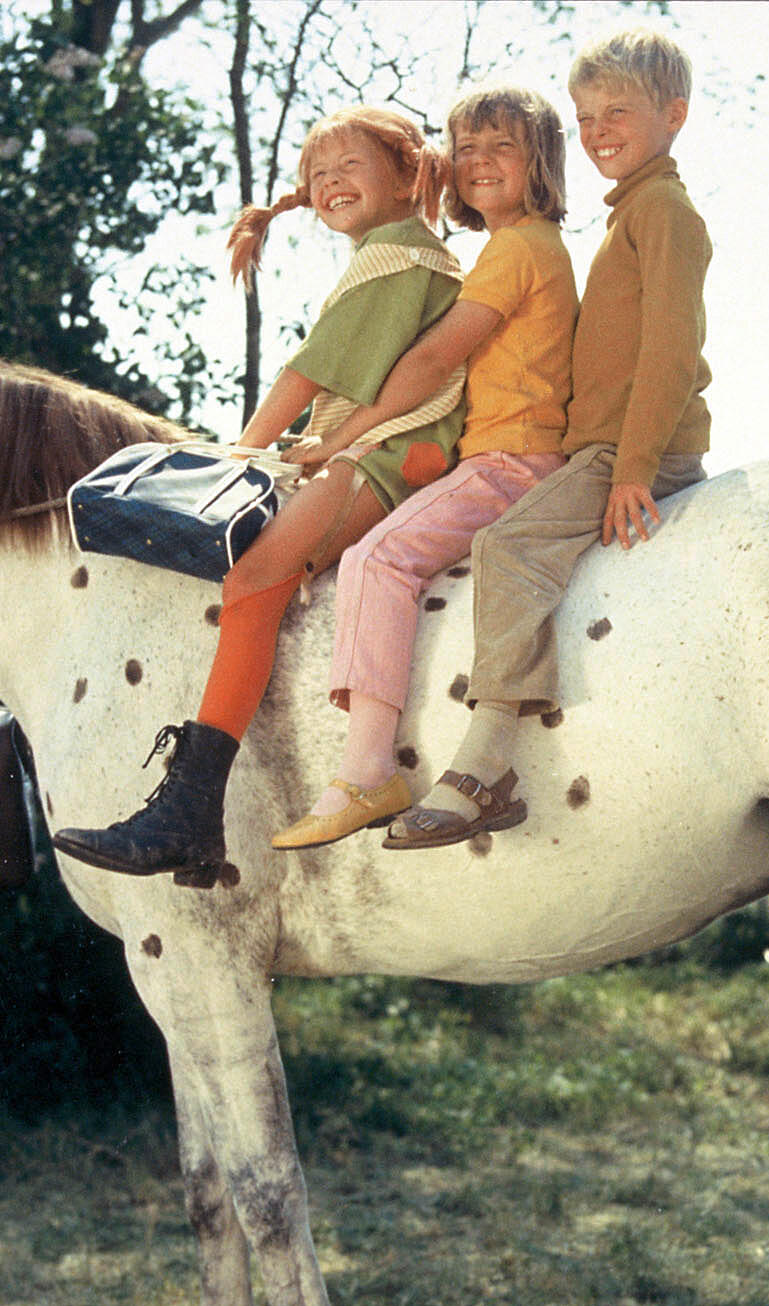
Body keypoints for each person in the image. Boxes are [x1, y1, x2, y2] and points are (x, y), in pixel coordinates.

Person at [51, 106, 464, 878]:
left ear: (407, 174)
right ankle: (197, 816)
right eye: (319, 175)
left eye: (351, 166)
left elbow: (310, 374)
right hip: (385, 446)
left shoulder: (400, 256)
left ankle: (190, 813)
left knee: (254, 578)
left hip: (394, 454)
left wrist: (239, 454)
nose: (331, 183)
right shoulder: (393, 254)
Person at [386, 28, 713, 850]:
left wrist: (634, 469)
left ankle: (487, 761)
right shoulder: (628, 214)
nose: (600, 130)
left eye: (620, 113)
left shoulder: (666, 213)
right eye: (586, 115)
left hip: (631, 449)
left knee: (511, 547)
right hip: (601, 446)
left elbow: (670, 352)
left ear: (673, 115)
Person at [269, 84, 577, 851]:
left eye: (501, 146)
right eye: (465, 148)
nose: (478, 162)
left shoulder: (519, 248)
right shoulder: (510, 249)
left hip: (511, 460)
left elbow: (438, 355)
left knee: (379, 557)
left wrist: (351, 434)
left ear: (539, 159)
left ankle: (368, 769)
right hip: (497, 451)